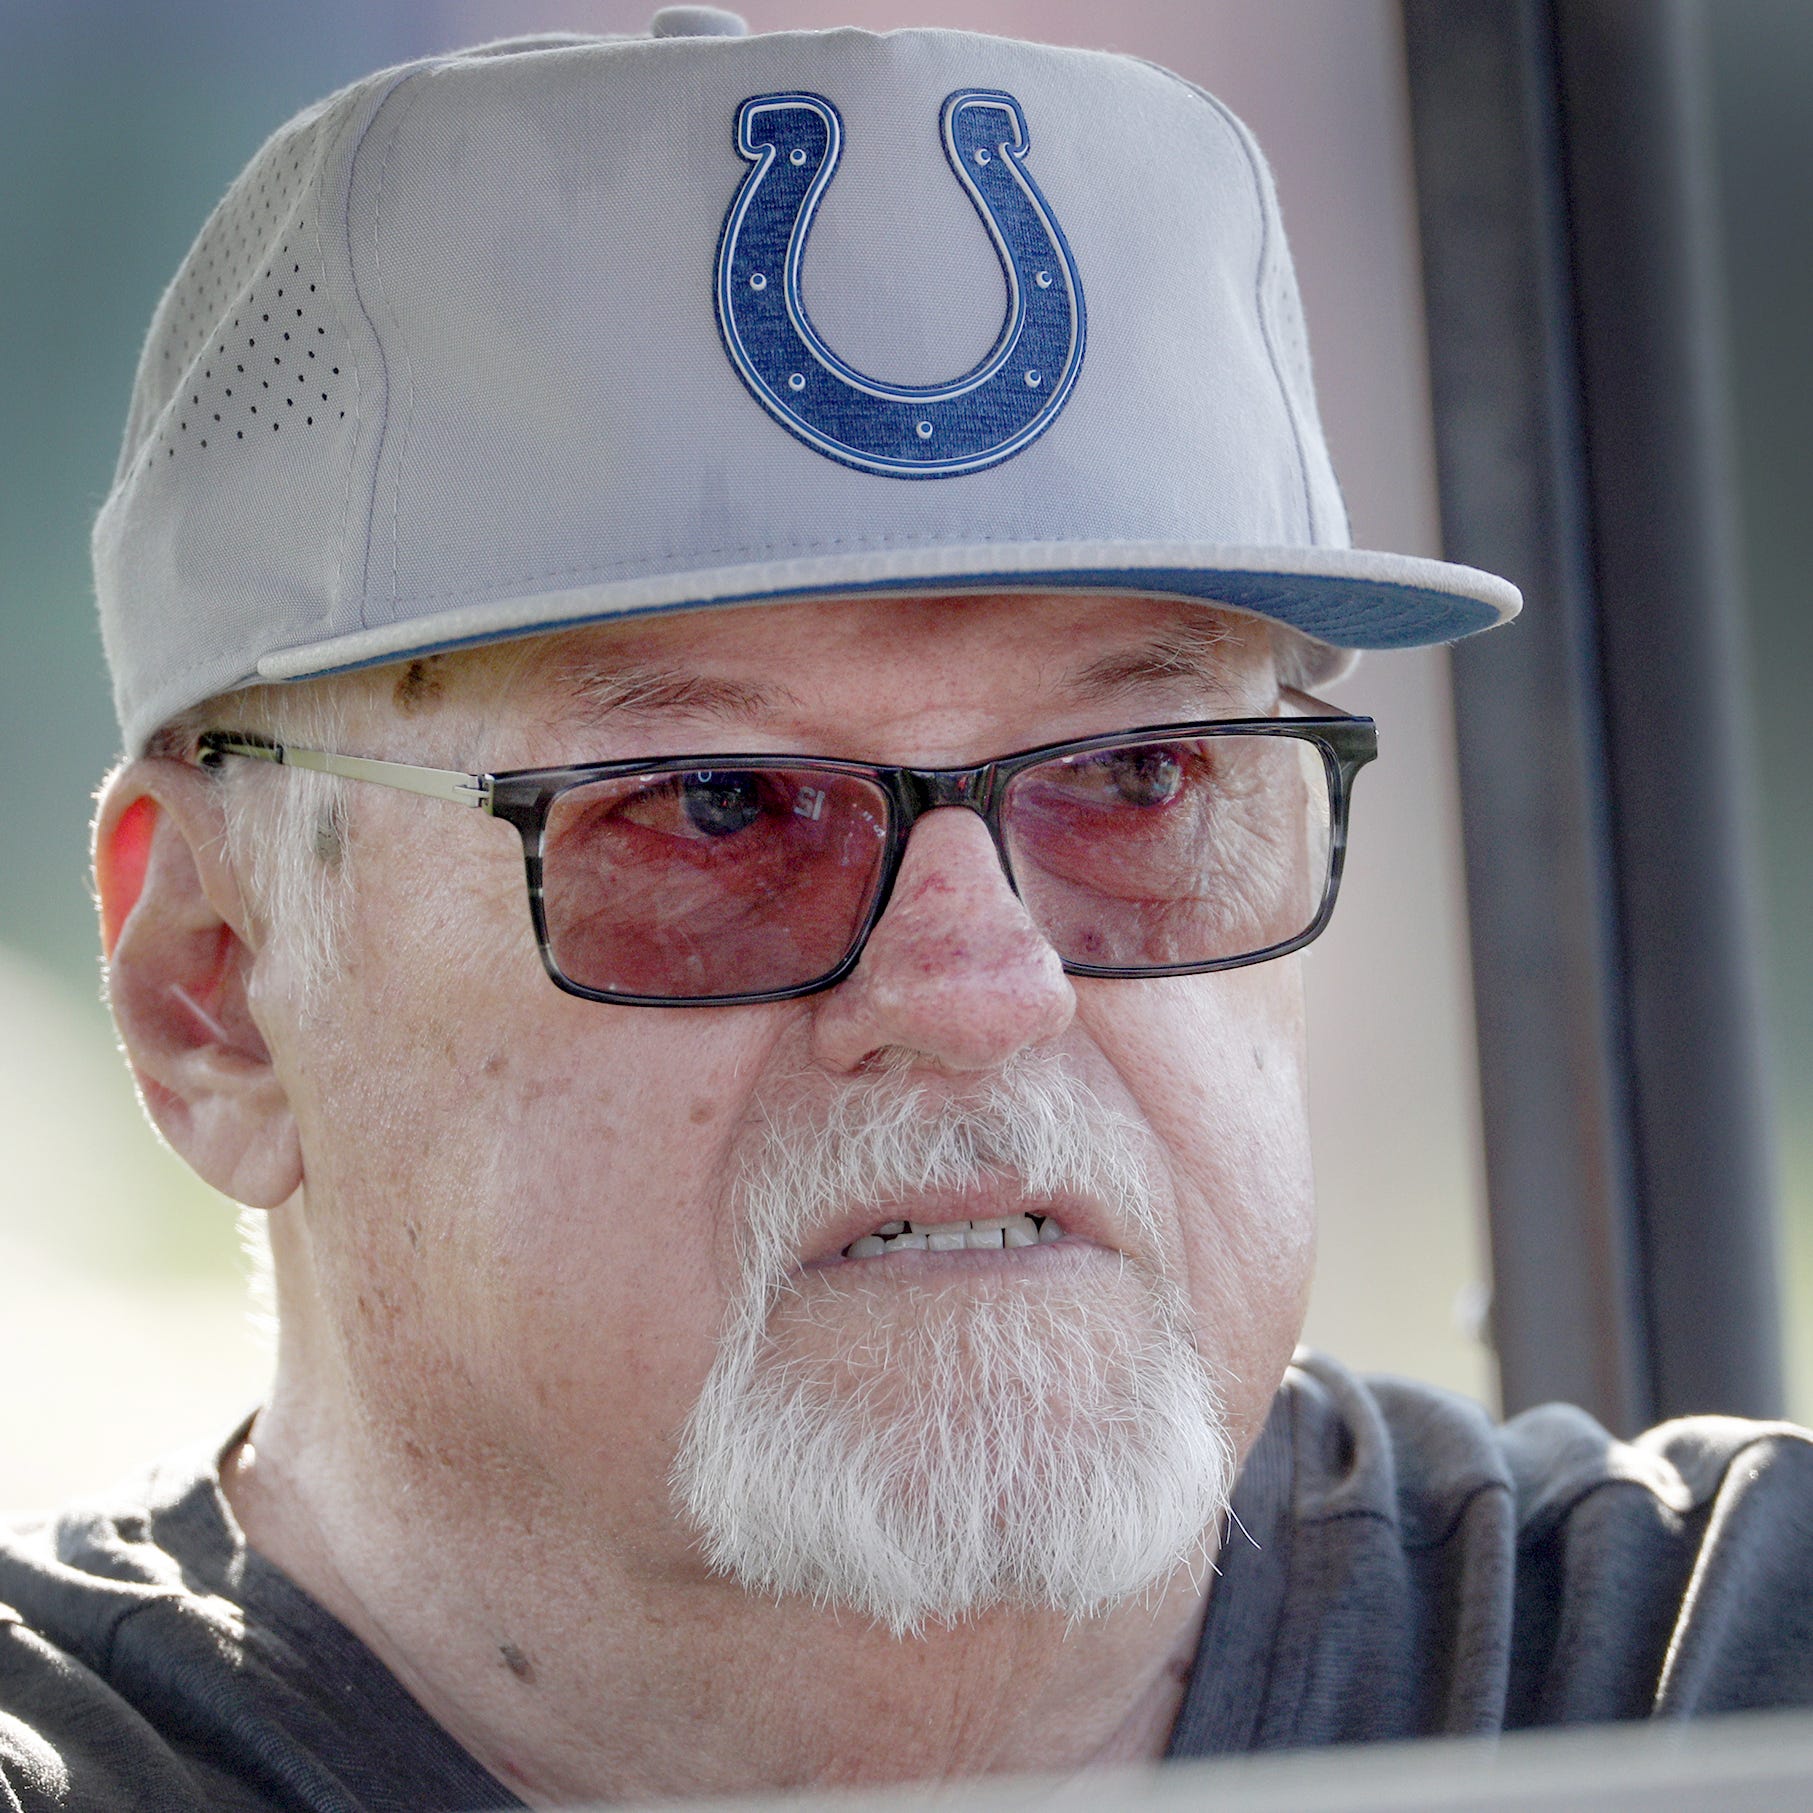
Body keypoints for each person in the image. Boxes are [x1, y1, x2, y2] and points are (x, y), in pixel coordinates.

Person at [3, 11, 1810, 1809]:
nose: (977, 984)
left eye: (1137, 777)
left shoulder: (1734, 1678)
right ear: (215, 996)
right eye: (716, 807)